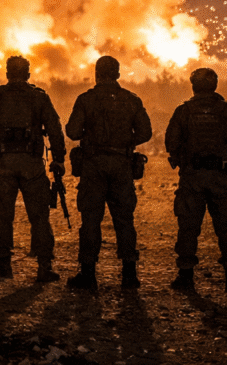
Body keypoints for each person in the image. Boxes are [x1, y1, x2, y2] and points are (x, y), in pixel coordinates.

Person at [0, 56, 66, 281]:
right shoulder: (38, 97)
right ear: (28, 75)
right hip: (32, 164)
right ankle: (44, 267)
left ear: (7, 74)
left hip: (3, 163)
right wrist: (59, 159)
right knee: (39, 216)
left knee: (3, 215)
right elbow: (54, 129)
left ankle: (3, 265)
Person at [65, 56, 152, 290]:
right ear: (118, 74)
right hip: (122, 165)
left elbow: (73, 132)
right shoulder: (131, 100)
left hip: (93, 166)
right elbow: (145, 132)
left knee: (91, 220)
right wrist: (125, 143)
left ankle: (88, 274)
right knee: (124, 219)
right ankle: (129, 275)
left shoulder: (86, 100)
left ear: (96, 74)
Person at [165, 67, 227, 293]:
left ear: (193, 85)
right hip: (221, 178)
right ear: (215, 85)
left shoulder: (184, 111)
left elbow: (171, 143)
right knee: (226, 228)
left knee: (188, 227)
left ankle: (185, 276)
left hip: (192, 177)